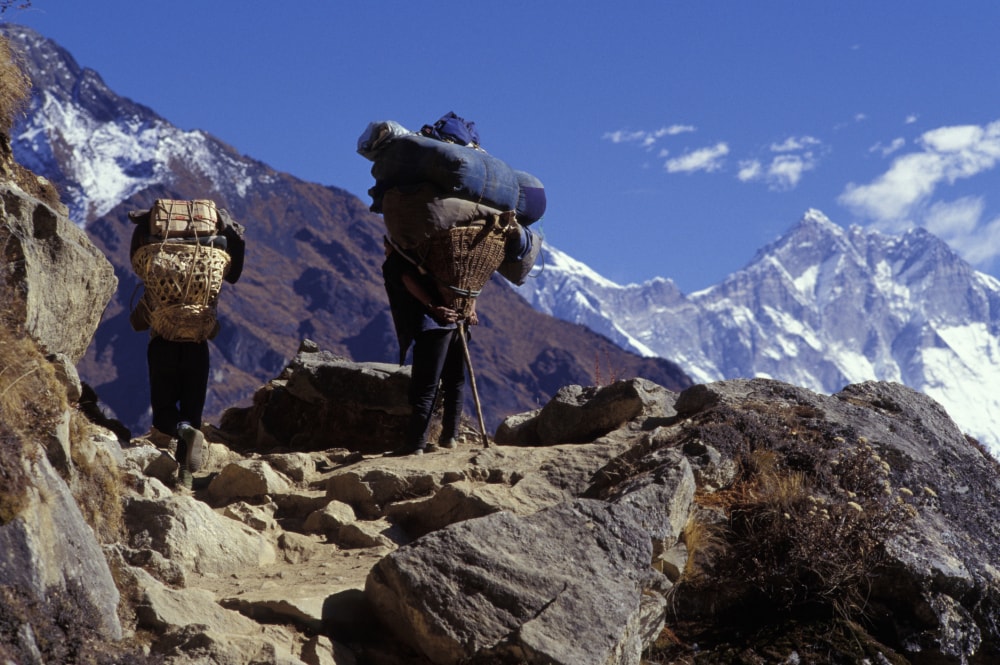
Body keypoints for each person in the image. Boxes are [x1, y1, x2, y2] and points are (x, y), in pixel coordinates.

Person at [129, 203, 245, 487]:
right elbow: (235, 271)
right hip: (197, 345)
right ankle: (186, 476)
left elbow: (136, 261)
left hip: (163, 345)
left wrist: (146, 225)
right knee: (193, 411)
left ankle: (182, 434)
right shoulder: (209, 266)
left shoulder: (156, 270)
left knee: (165, 412)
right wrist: (228, 230)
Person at [382, 241, 475, 456]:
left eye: (385, 245)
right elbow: (471, 281)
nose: (383, 249)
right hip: (459, 326)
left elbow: (407, 280)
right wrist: (470, 308)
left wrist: (433, 306)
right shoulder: (443, 256)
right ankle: (450, 436)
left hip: (432, 327)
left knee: (426, 387)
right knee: (455, 381)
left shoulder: (399, 260)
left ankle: (415, 444)